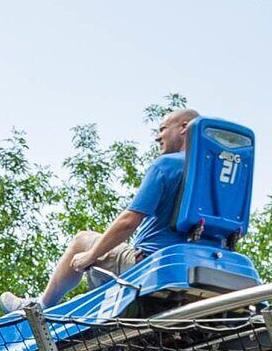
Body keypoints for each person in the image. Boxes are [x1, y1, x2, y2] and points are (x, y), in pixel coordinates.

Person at [39, 107, 198, 305]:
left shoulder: (166, 165)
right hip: (204, 267)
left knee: (82, 241)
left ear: (184, 127)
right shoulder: (219, 176)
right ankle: (89, 302)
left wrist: (91, 256)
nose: (158, 137)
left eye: (163, 129)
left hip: (154, 264)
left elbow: (128, 222)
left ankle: (41, 307)